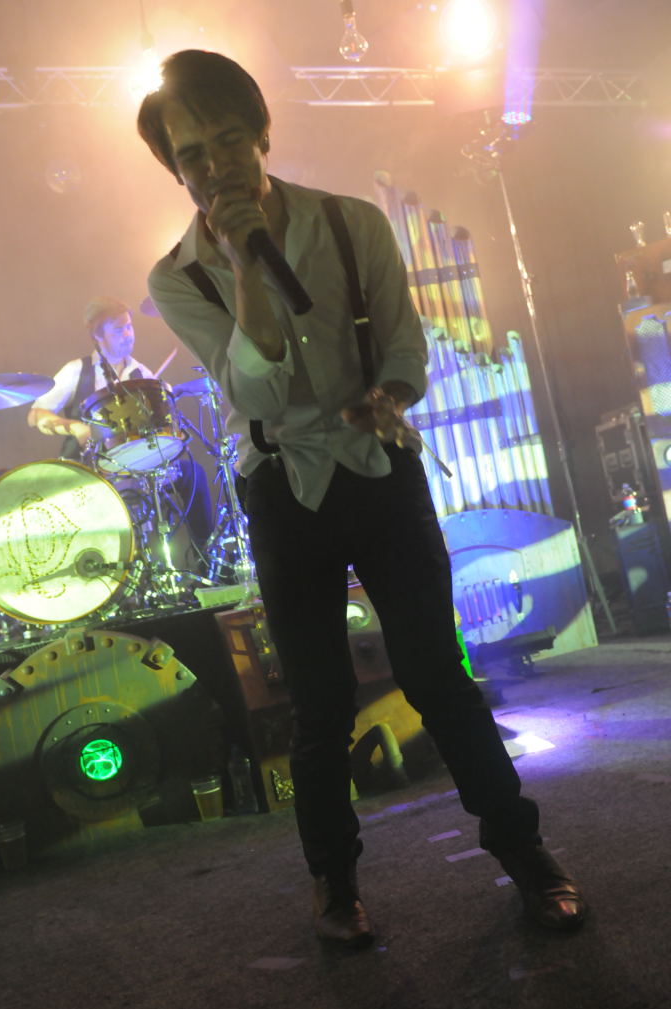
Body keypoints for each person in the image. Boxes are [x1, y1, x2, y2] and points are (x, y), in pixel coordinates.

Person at [137, 49, 586, 948]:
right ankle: (335, 885)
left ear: (263, 133)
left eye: (229, 139)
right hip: (284, 488)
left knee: (437, 677)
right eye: (192, 155)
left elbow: (407, 346)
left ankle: (526, 855)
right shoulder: (177, 277)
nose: (215, 166)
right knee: (319, 704)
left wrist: (393, 392)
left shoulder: (353, 223)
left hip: (379, 467)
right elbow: (254, 393)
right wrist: (245, 265)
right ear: (175, 170)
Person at [27, 295, 213, 554]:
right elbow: (36, 415)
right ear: (98, 336)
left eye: (129, 326)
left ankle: (206, 556)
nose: (128, 334)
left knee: (193, 472)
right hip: (91, 471)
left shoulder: (142, 374)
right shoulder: (77, 370)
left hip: (141, 467)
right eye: (118, 330)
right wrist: (74, 427)